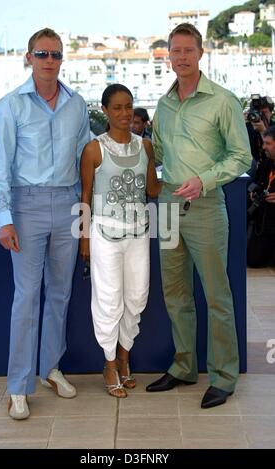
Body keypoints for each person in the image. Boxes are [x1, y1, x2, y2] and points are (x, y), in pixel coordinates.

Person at [146, 23, 252, 408]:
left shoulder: (223, 100)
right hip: (169, 208)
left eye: (189, 50)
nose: (182, 57)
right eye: (176, 51)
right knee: (175, 294)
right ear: (168, 55)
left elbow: (242, 156)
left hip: (206, 205)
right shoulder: (164, 103)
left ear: (201, 53)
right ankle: (184, 366)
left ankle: (223, 376)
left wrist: (205, 180)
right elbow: (155, 152)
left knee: (217, 296)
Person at [0, 28, 90, 419]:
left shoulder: (76, 104)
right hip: (26, 206)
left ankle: (50, 368)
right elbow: (0, 167)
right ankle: (18, 385)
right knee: (27, 297)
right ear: (29, 57)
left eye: (56, 54)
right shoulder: (10, 105)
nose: (50, 60)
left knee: (61, 293)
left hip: (67, 202)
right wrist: (4, 219)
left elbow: (88, 154)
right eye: (42, 53)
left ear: (62, 59)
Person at [80, 84, 161, 398]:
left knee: (137, 297)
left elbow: (152, 189)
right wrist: (83, 240)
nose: (125, 113)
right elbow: (85, 196)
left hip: (138, 234)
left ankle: (126, 354)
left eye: (129, 106)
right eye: (117, 107)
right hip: (104, 236)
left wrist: (186, 175)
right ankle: (110, 363)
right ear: (104, 111)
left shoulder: (145, 146)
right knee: (109, 299)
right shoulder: (94, 150)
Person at [247, 125, 275, 267]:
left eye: (268, 143)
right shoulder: (266, 164)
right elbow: (256, 184)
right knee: (254, 261)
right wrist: (253, 192)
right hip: (264, 223)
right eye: (264, 143)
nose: (264, 147)